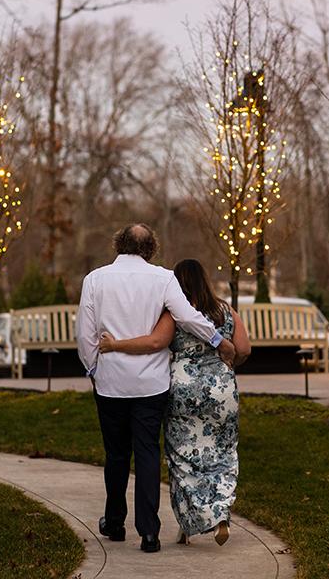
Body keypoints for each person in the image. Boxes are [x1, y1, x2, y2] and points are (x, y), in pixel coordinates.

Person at [75, 224, 237, 554]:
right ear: (151, 249)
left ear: (118, 244)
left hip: (111, 383)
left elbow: (84, 333)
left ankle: (115, 521)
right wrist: (219, 340)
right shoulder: (164, 279)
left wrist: (93, 367)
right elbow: (189, 317)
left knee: (117, 454)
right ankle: (149, 534)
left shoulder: (95, 279)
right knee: (147, 453)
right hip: (151, 383)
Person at [99, 258, 251, 546]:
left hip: (183, 392)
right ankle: (219, 514)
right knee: (222, 454)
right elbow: (243, 348)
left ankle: (189, 524)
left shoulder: (176, 313)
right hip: (222, 391)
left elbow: (154, 342)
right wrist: (226, 364)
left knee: (183, 458)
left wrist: (114, 345)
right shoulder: (225, 310)